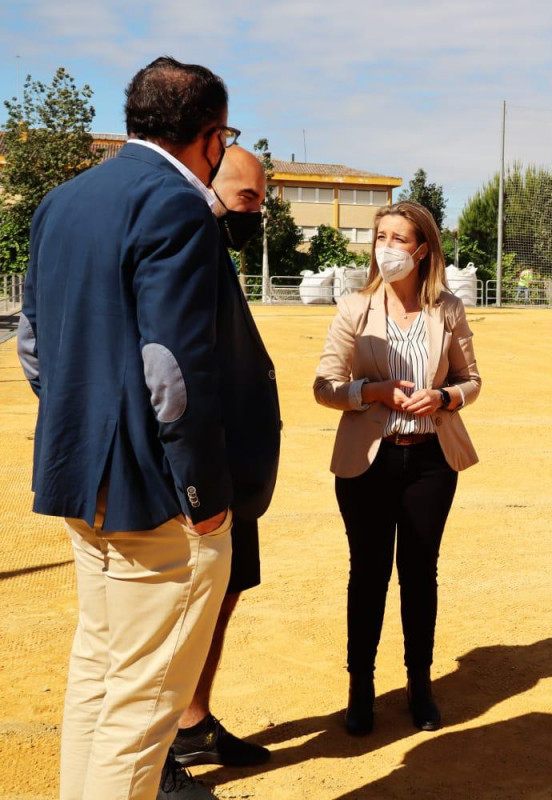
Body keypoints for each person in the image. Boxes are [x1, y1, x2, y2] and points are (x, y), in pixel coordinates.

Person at [19, 57, 241, 800]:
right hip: (155, 497)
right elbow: (169, 369)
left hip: (80, 475)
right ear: (211, 136)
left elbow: (34, 346)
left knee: (101, 673)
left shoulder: (61, 201)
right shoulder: (176, 206)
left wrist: (84, 427)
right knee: (143, 708)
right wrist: (202, 490)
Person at [314, 201, 481, 737]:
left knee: (419, 573)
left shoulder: (448, 309)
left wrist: (446, 398)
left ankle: (420, 685)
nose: (386, 246)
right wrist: (372, 392)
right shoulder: (353, 308)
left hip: (431, 461)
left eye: (399, 238)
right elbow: (324, 387)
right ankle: (360, 687)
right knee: (367, 575)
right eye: (380, 236)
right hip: (369, 463)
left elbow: (471, 379)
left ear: (423, 249)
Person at [165, 146, 281, 787]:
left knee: (224, 596)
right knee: (184, 607)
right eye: (248, 199)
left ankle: (194, 722)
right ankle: (160, 748)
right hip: (200, 474)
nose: (256, 213)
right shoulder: (184, 245)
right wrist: (196, 479)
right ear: (209, 186)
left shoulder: (214, 250)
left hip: (234, 472)